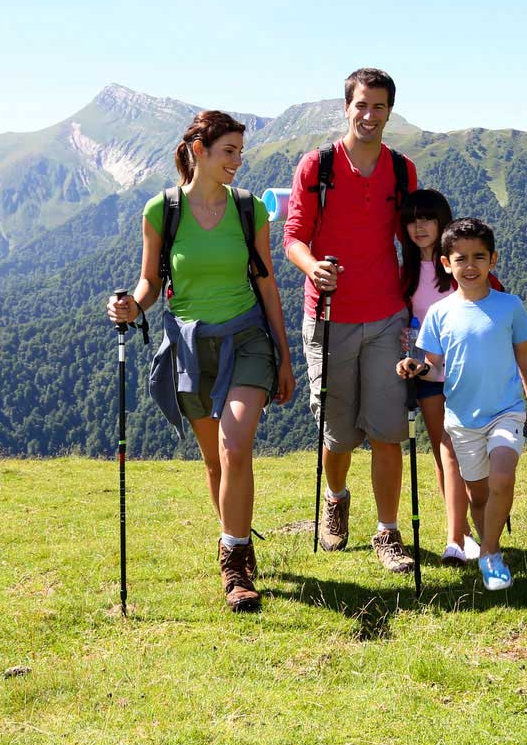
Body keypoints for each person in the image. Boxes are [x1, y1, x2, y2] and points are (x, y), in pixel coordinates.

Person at [107, 110, 295, 612]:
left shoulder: (248, 208)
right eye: (228, 151)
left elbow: (266, 281)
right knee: (214, 460)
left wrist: (283, 353)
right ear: (198, 151)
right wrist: (131, 307)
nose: (238, 161)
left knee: (236, 446)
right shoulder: (160, 211)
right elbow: (150, 282)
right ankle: (237, 539)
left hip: (248, 338)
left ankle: (233, 565)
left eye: (239, 151)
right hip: (188, 343)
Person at [283, 67, 419, 573]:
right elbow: (294, 235)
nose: (369, 115)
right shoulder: (316, 167)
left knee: (389, 431)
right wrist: (311, 266)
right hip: (328, 316)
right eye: (361, 105)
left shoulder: (402, 172)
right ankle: (335, 498)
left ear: (389, 111)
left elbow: (416, 240)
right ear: (346, 107)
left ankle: (387, 532)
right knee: (337, 432)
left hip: (387, 315)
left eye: (379, 106)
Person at [412, 217, 527, 591]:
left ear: (493, 260)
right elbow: (433, 366)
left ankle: (490, 552)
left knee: (503, 474)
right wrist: (415, 367)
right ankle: (487, 543)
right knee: (479, 494)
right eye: (461, 258)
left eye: (479, 257)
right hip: (462, 419)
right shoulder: (439, 314)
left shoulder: (509, 306)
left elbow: (525, 356)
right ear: (445, 263)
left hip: (507, 410)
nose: (470, 266)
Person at [395, 188, 481, 566]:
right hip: (428, 371)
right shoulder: (407, 270)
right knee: (444, 448)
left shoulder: (458, 265)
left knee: (461, 449)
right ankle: (457, 537)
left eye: (427, 218)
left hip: (465, 371)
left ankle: (464, 531)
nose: (419, 226)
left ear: (442, 220)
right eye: (413, 219)